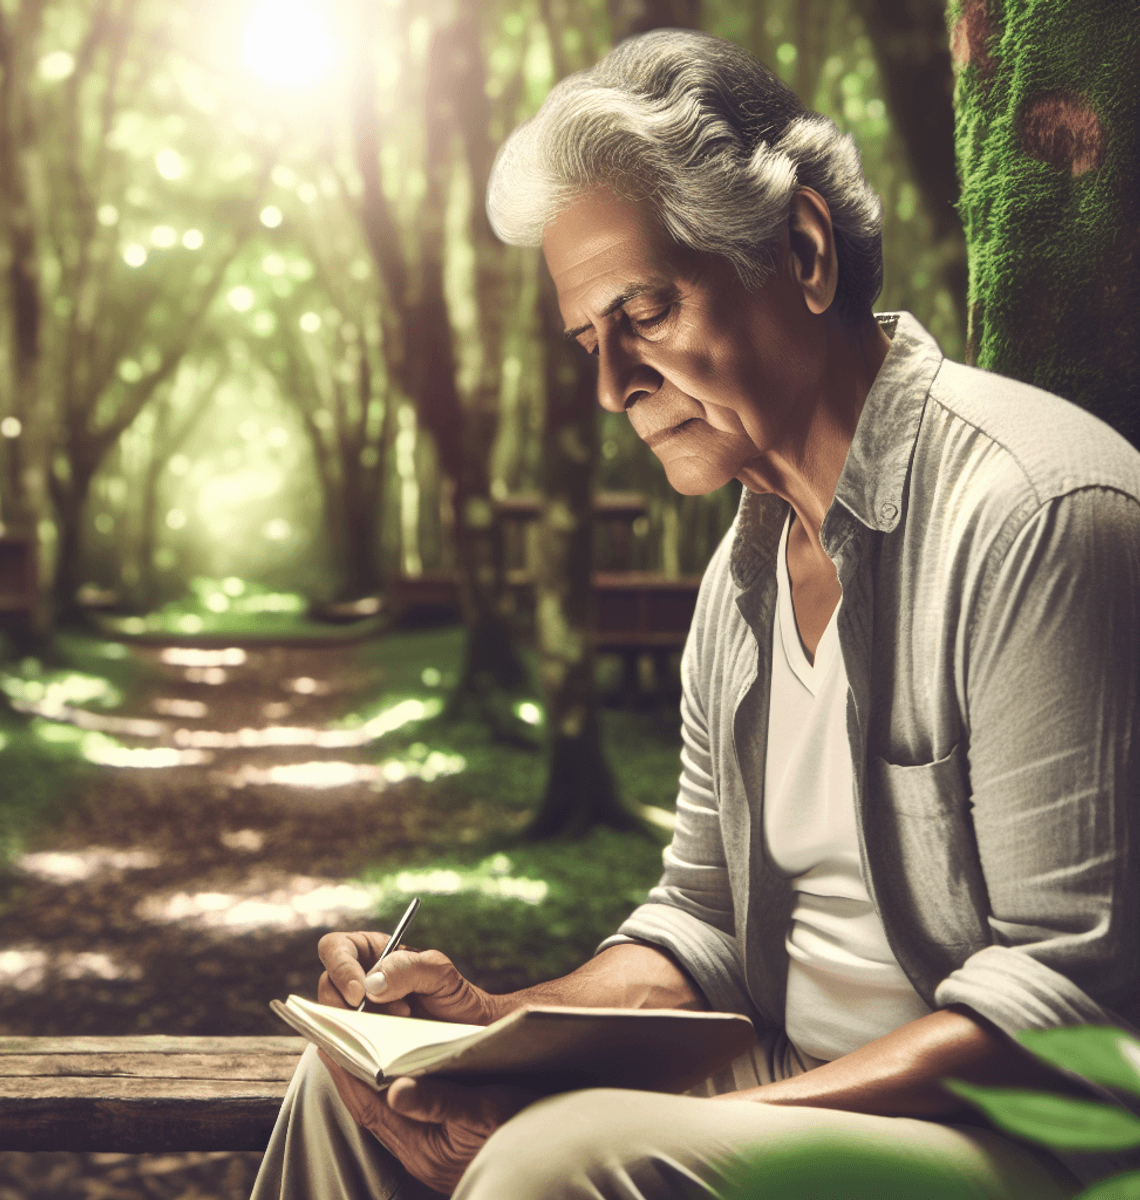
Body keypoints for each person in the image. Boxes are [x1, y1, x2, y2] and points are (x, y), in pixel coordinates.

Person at [251, 29, 1140, 1200]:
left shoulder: (1037, 512)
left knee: (546, 1162)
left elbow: (1070, 1007)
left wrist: (702, 1115)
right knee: (354, 1092)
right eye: (589, 341)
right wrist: (485, 1026)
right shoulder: (741, 579)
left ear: (804, 253)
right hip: (785, 1080)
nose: (615, 382)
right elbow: (703, 922)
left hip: (1024, 1135)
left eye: (648, 311)